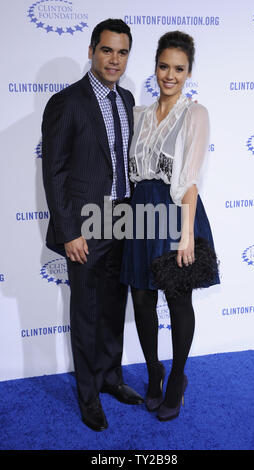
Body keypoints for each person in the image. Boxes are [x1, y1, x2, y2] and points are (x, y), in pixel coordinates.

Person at [42, 18, 144, 432]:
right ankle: (88, 397)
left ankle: (109, 378)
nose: (114, 59)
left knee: (112, 307)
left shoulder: (127, 100)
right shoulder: (66, 102)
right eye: (107, 50)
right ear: (91, 50)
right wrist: (69, 230)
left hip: (121, 218)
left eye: (122, 52)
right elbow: (55, 173)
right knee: (85, 312)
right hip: (84, 224)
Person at [120, 31, 220, 422]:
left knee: (178, 300)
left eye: (179, 69)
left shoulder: (195, 113)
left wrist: (186, 235)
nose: (170, 75)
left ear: (189, 72)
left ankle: (177, 378)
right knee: (142, 300)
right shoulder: (140, 115)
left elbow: (190, 178)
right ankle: (154, 373)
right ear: (155, 67)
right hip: (140, 213)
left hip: (176, 209)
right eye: (164, 66)